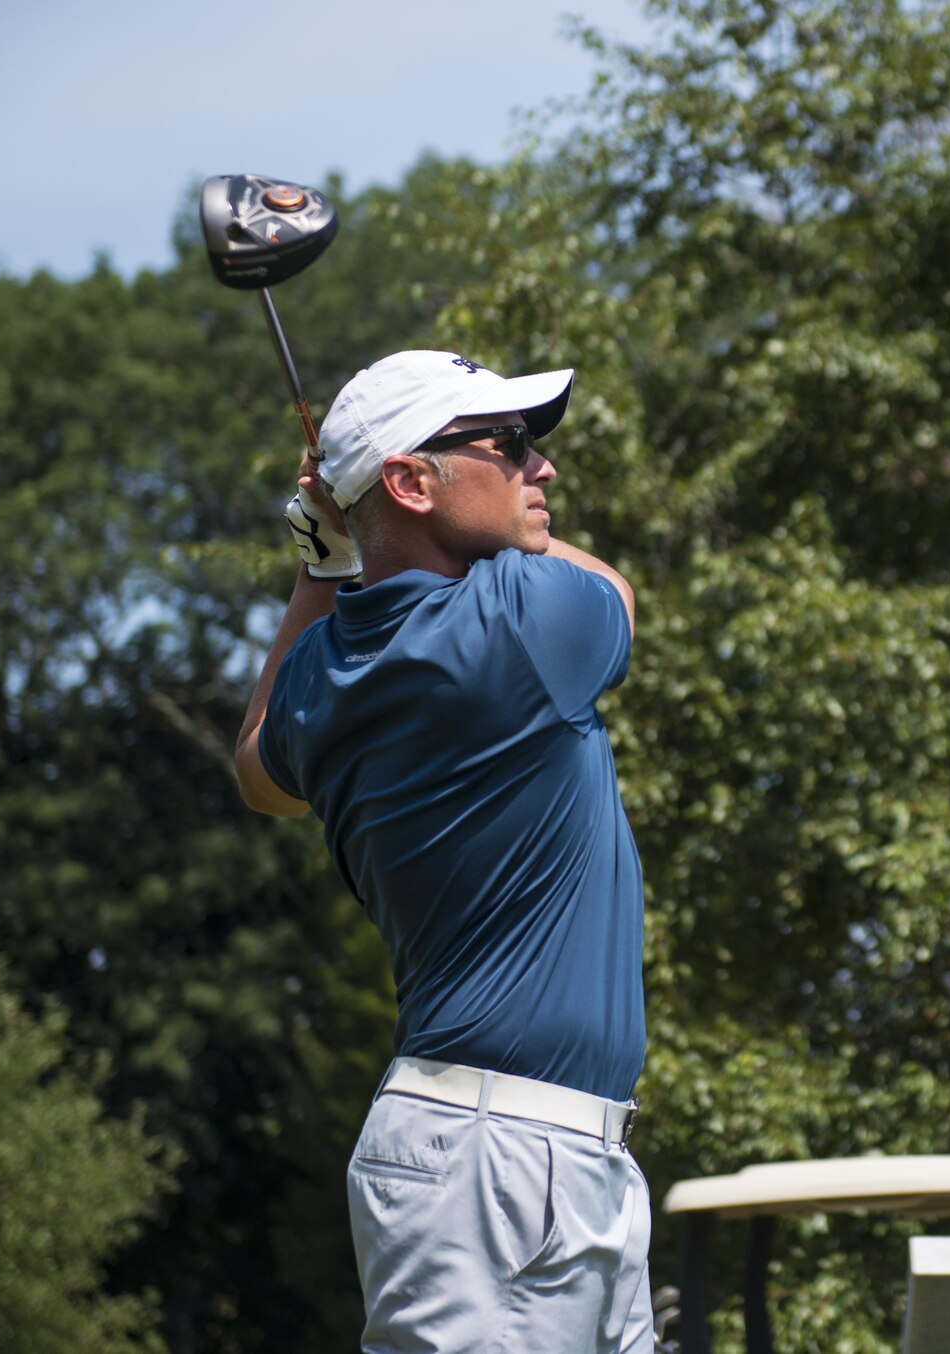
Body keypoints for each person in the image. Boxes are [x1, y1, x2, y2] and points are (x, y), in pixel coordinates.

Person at [231, 349, 653, 1353]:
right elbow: (620, 594)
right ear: (412, 481)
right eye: (506, 448)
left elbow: (256, 770)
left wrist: (321, 561)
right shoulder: (523, 619)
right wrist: (346, 538)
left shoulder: (318, 678)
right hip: (491, 1164)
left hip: (532, 1155)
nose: (540, 471)